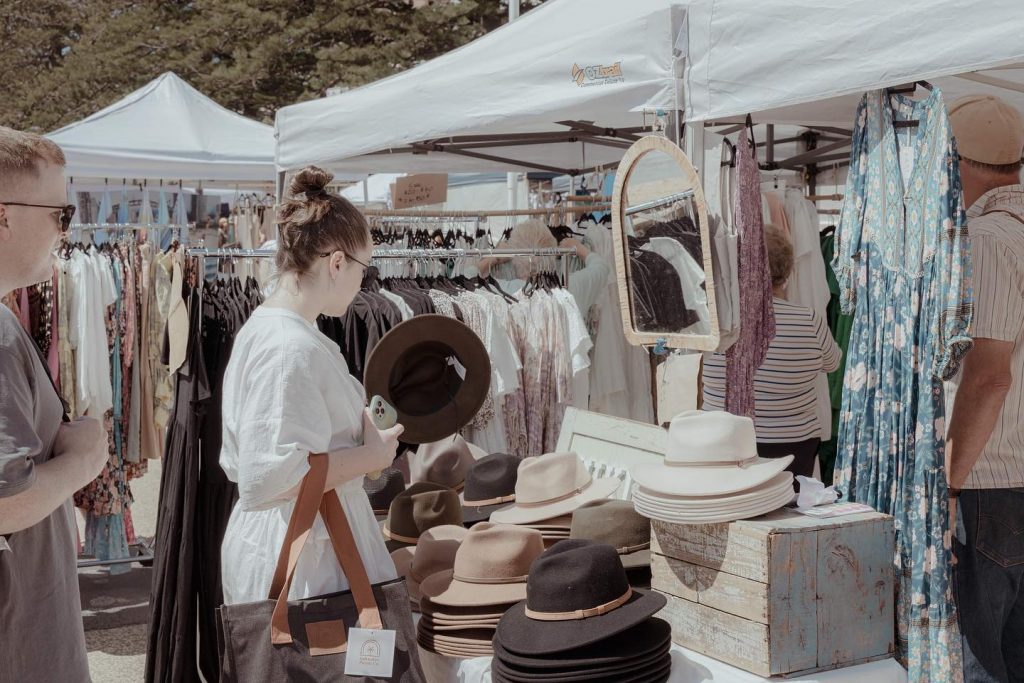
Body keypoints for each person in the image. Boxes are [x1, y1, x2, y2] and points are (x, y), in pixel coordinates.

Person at [219, 166, 405, 605]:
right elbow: (268, 478)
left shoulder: (289, 334)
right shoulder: (289, 346)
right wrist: (370, 455)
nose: (365, 282)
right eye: (364, 268)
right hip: (306, 553)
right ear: (337, 263)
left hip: (310, 538)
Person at [0, 126, 109, 681]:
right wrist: (85, 457)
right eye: (59, 215)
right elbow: (7, 498)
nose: (66, 233)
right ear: (3, 216)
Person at [945, 94, 1024, 683]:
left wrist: (949, 476)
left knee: (978, 657)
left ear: (959, 163)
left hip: (990, 482)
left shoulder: (988, 239)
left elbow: (990, 374)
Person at [702, 225, 841, 477]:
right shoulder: (809, 320)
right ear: (787, 271)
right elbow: (832, 363)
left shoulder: (718, 320)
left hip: (722, 444)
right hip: (791, 449)